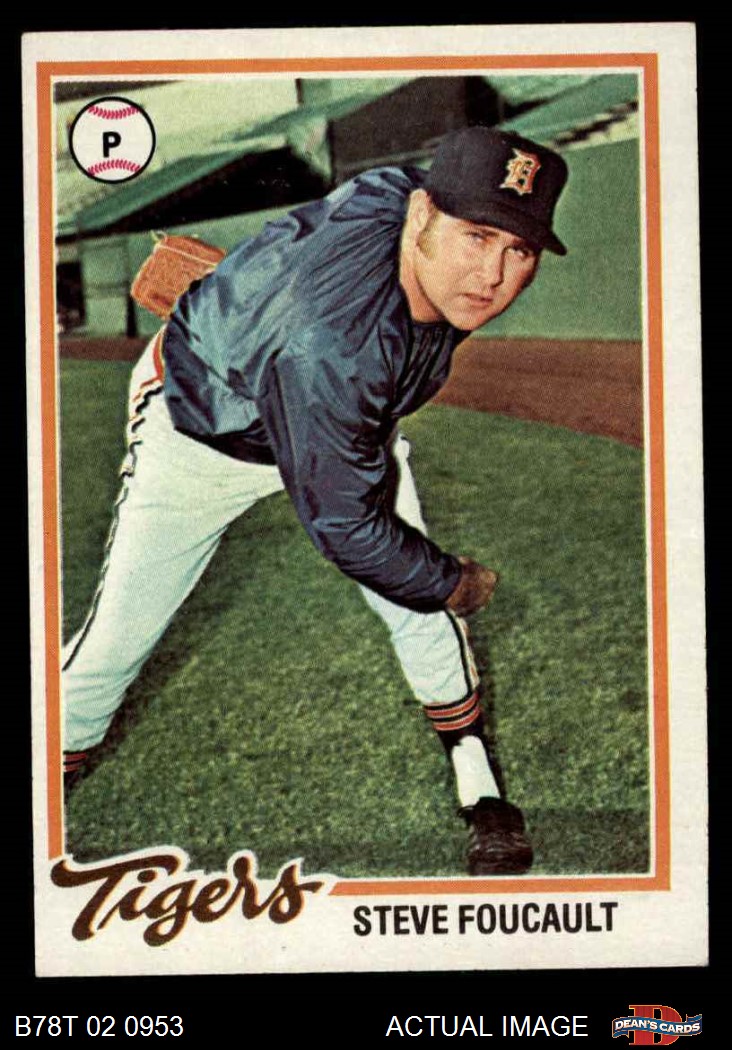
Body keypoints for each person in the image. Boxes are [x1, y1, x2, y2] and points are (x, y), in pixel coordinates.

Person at [62, 125, 568, 876]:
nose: (493, 273)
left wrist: (245, 296)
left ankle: (478, 779)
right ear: (422, 217)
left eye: (518, 249)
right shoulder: (336, 345)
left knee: (415, 609)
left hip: (336, 412)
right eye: (477, 236)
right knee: (116, 642)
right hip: (200, 434)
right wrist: (451, 580)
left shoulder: (396, 204)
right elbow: (346, 524)